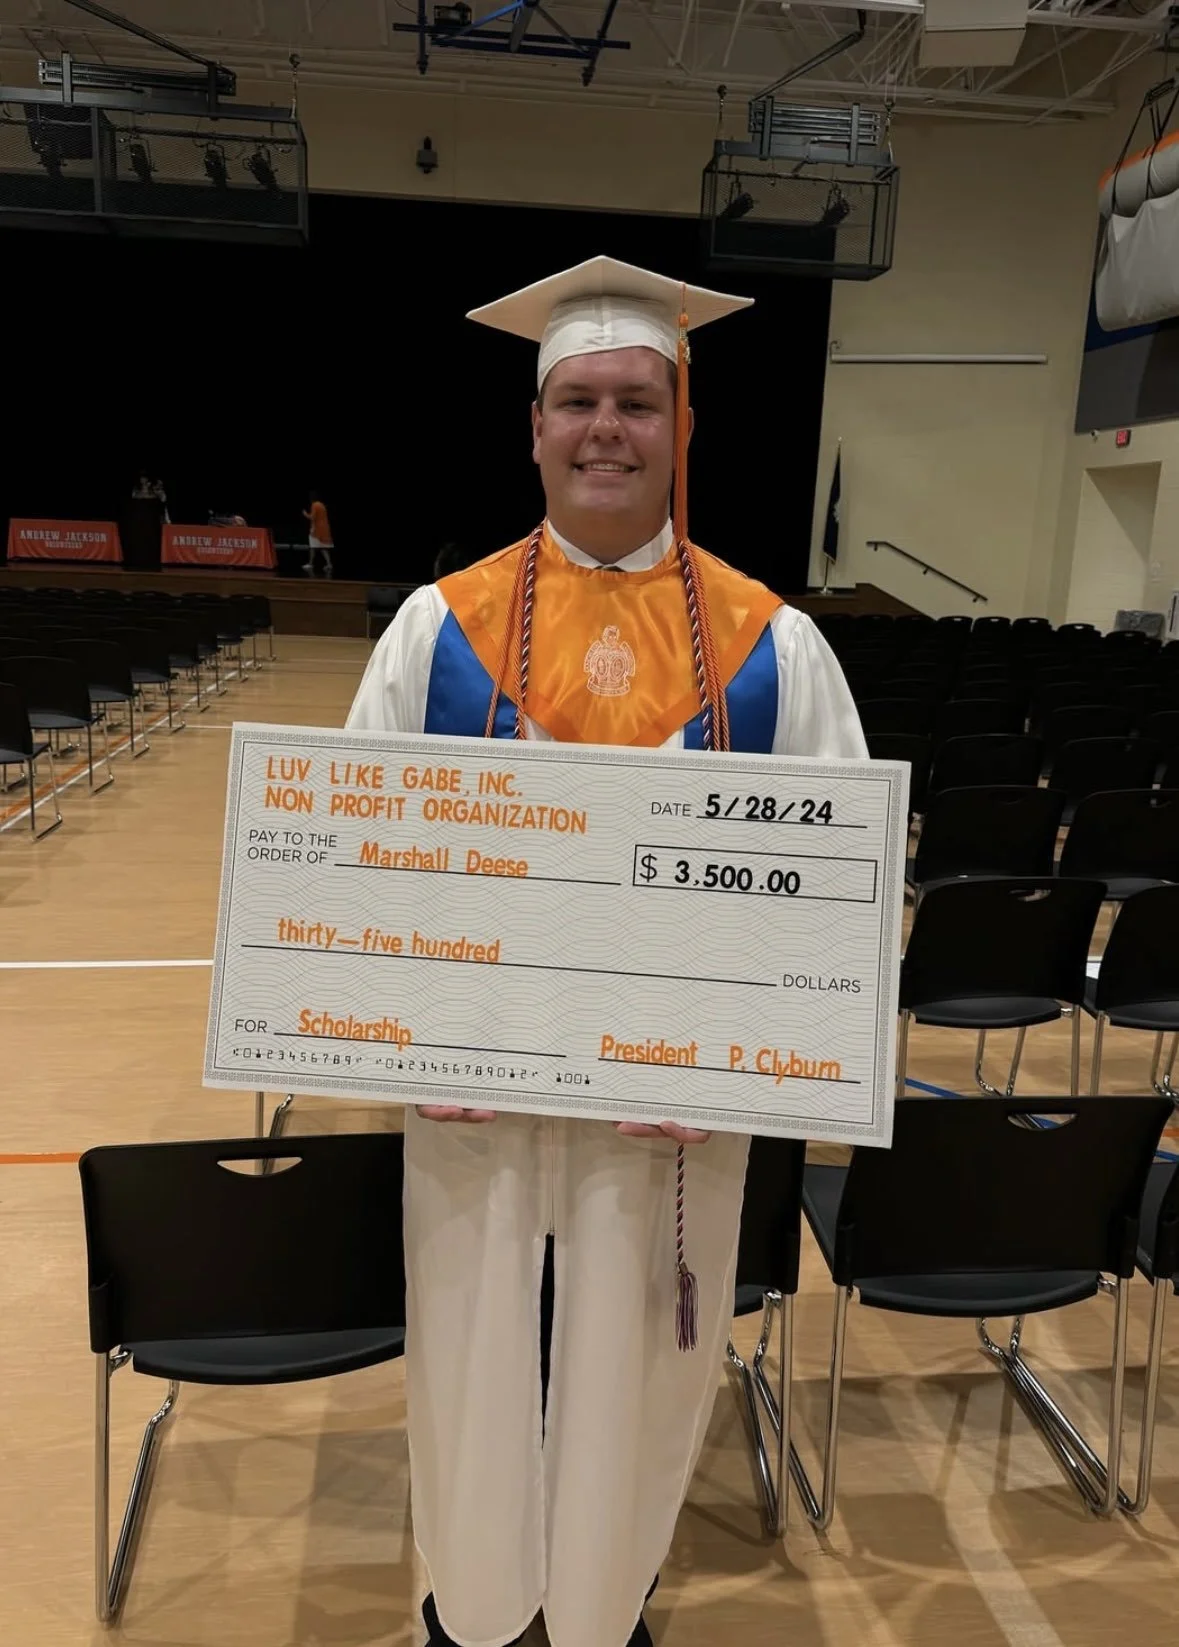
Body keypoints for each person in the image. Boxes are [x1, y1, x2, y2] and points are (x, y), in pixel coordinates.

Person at [346, 255, 866, 1647]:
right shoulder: (433, 630)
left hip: (669, 1115)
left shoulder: (774, 647)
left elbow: (832, 904)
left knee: (635, 1371)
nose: (603, 428)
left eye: (635, 400)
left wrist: (751, 1065)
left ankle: (601, 1605)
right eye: (575, 398)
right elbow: (340, 868)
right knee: (471, 1356)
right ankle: (472, 1609)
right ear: (532, 426)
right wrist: (397, 1029)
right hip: (480, 1109)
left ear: (681, 427)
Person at [303, 490, 334, 577]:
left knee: (313, 547)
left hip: (317, 530)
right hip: (324, 529)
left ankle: (310, 564)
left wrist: (305, 514)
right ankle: (329, 564)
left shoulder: (315, 505)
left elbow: (312, 517)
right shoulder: (322, 505)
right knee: (323, 548)